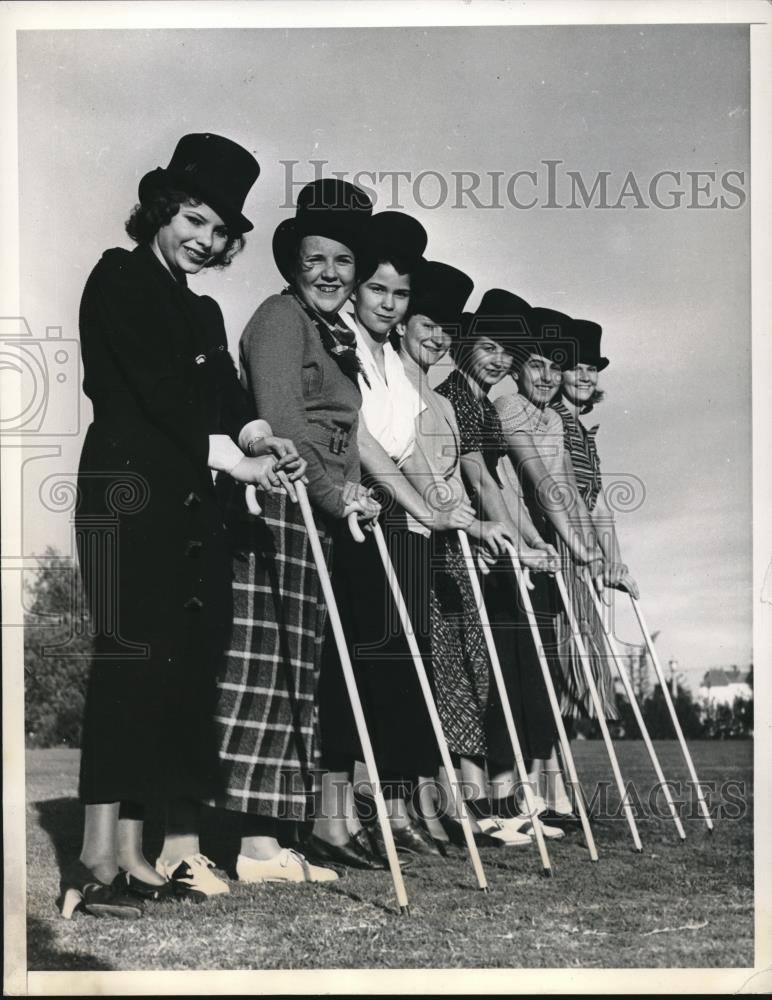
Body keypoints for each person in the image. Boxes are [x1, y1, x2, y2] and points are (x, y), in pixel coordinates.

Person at [66, 133, 273, 918]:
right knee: (129, 657)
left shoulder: (205, 309)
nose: (205, 240)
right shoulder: (118, 277)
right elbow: (154, 392)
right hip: (127, 493)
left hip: (192, 503)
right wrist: (228, 450)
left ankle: (130, 852)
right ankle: (90, 858)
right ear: (161, 209)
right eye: (193, 219)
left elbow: (223, 396)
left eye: (220, 232)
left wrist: (256, 436)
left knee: (173, 671)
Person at [209, 178, 382, 884]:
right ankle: (253, 846)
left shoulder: (332, 333)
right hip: (280, 506)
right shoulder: (281, 320)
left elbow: (339, 435)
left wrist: (349, 497)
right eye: (317, 260)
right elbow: (282, 424)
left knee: (300, 672)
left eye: (343, 262)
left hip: (316, 511)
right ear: (293, 265)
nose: (331, 274)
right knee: (267, 663)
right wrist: (336, 497)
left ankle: (273, 841)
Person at [307, 214, 464, 867]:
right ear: (359, 292)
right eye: (377, 290)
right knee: (356, 670)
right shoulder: (340, 342)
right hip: (356, 516)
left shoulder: (399, 370)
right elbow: (366, 446)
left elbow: (413, 451)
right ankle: (333, 819)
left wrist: (451, 512)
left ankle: (392, 814)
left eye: (399, 295)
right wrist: (419, 500)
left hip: (397, 523)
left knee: (401, 669)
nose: (388, 303)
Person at [435, 289, 565, 840]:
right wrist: (512, 538)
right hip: (457, 544)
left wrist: (531, 540)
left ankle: (503, 804)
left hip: (488, 546)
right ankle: (475, 807)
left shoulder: (483, 403)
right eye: (488, 347)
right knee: (470, 676)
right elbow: (480, 482)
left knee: (499, 675)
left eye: (506, 353)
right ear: (465, 346)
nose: (498, 360)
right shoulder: (454, 397)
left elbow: (503, 490)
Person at [546, 317, 638, 740]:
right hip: (558, 551)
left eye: (591, 368)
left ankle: (560, 790)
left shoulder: (584, 431)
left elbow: (599, 507)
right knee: (562, 674)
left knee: (578, 678)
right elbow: (560, 495)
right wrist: (594, 557)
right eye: (575, 366)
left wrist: (613, 564)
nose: (584, 375)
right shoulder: (554, 420)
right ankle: (551, 790)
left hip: (582, 559)